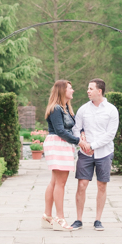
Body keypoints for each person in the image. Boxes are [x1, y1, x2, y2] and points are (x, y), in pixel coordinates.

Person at [70, 78, 119, 231]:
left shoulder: (111, 110)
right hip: (85, 153)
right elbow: (76, 129)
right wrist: (83, 144)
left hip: (104, 152)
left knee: (101, 185)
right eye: (88, 88)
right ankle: (78, 219)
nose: (88, 91)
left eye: (91, 88)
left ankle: (98, 220)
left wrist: (93, 145)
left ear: (100, 91)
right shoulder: (83, 109)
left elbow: (110, 134)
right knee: (82, 185)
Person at [42, 79, 80, 231]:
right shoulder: (56, 109)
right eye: (70, 88)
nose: (73, 90)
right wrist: (78, 141)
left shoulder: (65, 108)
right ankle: (60, 218)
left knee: (55, 181)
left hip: (61, 144)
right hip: (58, 144)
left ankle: (47, 216)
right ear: (62, 91)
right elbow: (60, 131)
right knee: (60, 183)